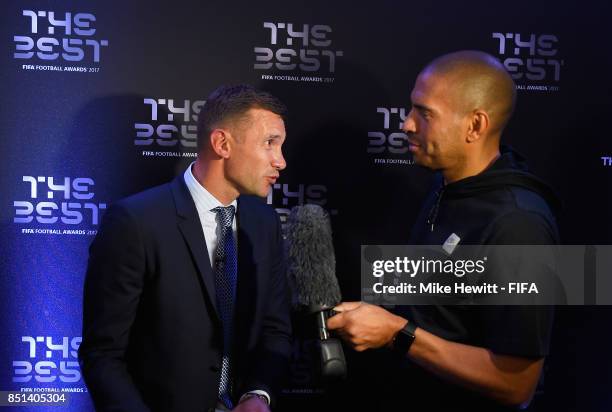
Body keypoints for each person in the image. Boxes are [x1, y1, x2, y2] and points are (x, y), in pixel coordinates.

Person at [328, 51, 560, 411]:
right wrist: (379, 317)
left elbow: (517, 383)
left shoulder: (518, 224)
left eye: (424, 113)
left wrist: (396, 332)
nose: (406, 124)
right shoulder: (447, 183)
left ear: (475, 126)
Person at [79, 85, 292, 412]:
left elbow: (275, 330)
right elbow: (103, 355)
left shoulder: (265, 225)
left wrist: (257, 395)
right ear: (222, 143)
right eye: (269, 144)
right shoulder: (135, 222)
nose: (281, 161)